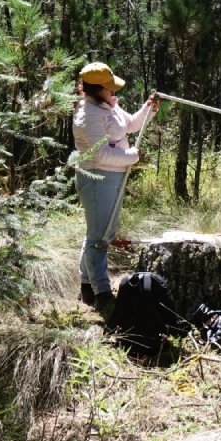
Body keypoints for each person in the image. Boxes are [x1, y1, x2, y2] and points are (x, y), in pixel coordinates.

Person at [72, 61, 160, 315]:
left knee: (99, 234)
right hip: (97, 178)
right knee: (98, 239)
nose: (114, 92)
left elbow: (129, 125)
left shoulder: (107, 105)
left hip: (112, 177)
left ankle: (87, 286)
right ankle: (102, 294)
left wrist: (147, 109)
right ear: (96, 88)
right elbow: (99, 154)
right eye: (109, 88)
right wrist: (131, 156)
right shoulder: (87, 115)